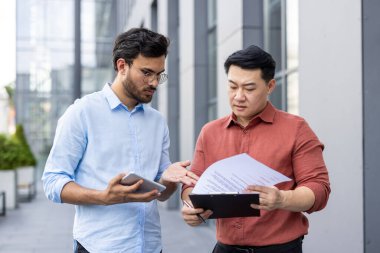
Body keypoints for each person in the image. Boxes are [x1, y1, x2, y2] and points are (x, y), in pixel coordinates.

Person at [42, 27, 199, 253]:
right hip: (99, 247)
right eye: (147, 73)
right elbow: (52, 181)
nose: (154, 82)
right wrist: (104, 197)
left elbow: (161, 194)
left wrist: (169, 178)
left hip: (151, 246)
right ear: (122, 66)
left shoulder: (157, 122)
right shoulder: (82, 112)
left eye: (159, 74)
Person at [181, 45, 331, 253]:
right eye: (233, 87)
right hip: (225, 249)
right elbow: (192, 183)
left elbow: (319, 189)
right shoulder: (210, 132)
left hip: (280, 249)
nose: (239, 96)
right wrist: (192, 208)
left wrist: (282, 199)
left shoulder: (296, 129)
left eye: (249, 88)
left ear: (270, 86)